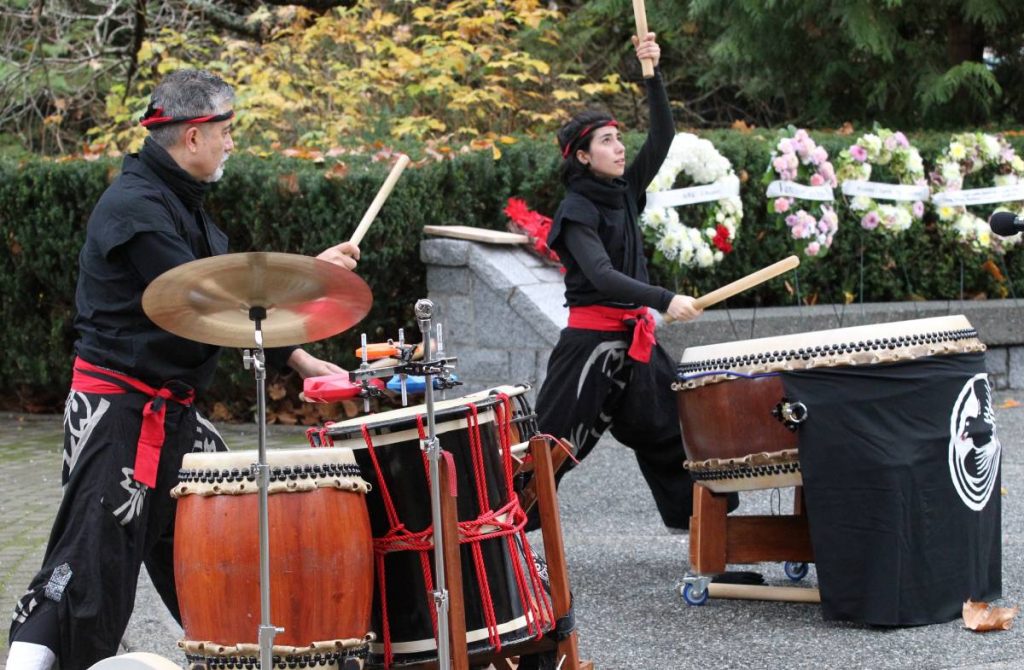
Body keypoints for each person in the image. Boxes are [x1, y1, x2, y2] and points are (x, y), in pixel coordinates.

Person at [7, 69, 360, 670]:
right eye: (226, 130)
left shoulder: (179, 204)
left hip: (174, 416)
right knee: (88, 569)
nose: (231, 142)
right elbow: (207, 299)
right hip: (119, 413)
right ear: (193, 135)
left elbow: (228, 304)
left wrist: (300, 359)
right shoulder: (135, 208)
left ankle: (251, 656)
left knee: (215, 558)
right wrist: (307, 277)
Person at [533, 33, 715, 533]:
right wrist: (665, 299)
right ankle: (502, 539)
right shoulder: (576, 210)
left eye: (618, 137)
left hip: (637, 344)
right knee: (551, 450)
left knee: (673, 432)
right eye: (607, 141)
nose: (619, 147)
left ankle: (705, 538)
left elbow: (664, 136)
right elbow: (602, 276)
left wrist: (652, 73)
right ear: (583, 156)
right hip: (590, 347)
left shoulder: (625, 192)